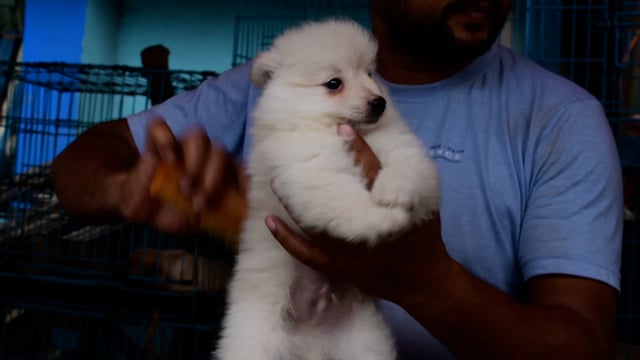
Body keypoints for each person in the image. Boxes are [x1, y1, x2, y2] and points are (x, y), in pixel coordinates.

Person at [50, 0, 623, 358]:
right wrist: (128, 187)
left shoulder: (559, 119)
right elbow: (83, 161)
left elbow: (584, 344)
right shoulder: (271, 85)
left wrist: (426, 281)